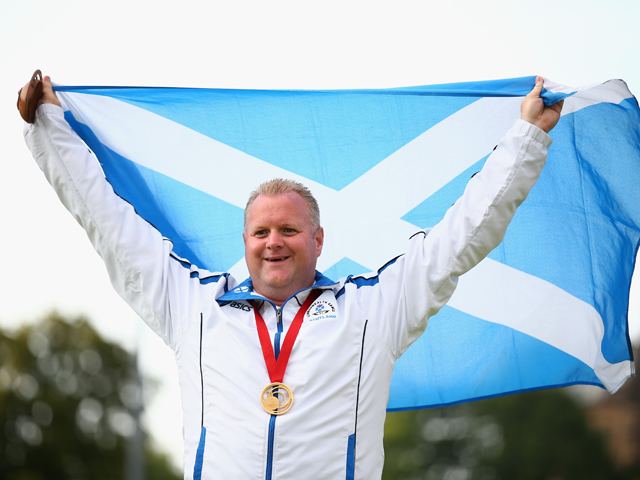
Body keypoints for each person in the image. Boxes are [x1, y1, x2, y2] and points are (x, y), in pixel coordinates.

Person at [20, 74, 562, 479]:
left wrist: (525, 140)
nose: (273, 242)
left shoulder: (372, 311)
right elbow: (109, 224)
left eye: (289, 230)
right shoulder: (193, 308)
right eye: (260, 232)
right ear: (245, 242)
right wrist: (48, 128)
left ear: (319, 240)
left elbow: (459, 240)